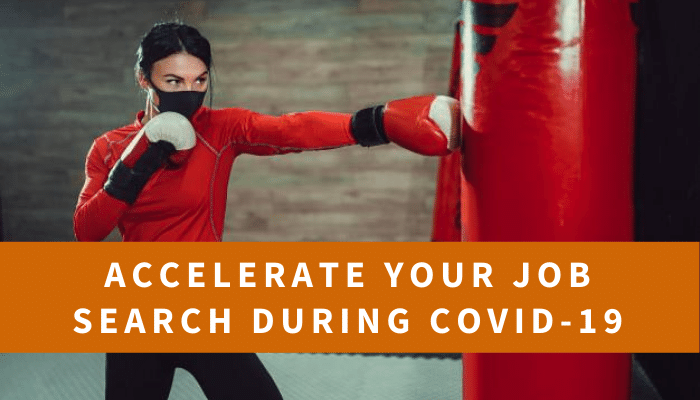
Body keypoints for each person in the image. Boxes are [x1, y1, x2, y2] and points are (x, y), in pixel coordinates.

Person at [73, 22, 459, 400]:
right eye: (174, 82)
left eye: (200, 81)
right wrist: (134, 165)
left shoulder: (221, 129)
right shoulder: (108, 147)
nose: (189, 93)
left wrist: (374, 123)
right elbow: (88, 229)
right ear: (145, 79)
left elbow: (289, 130)